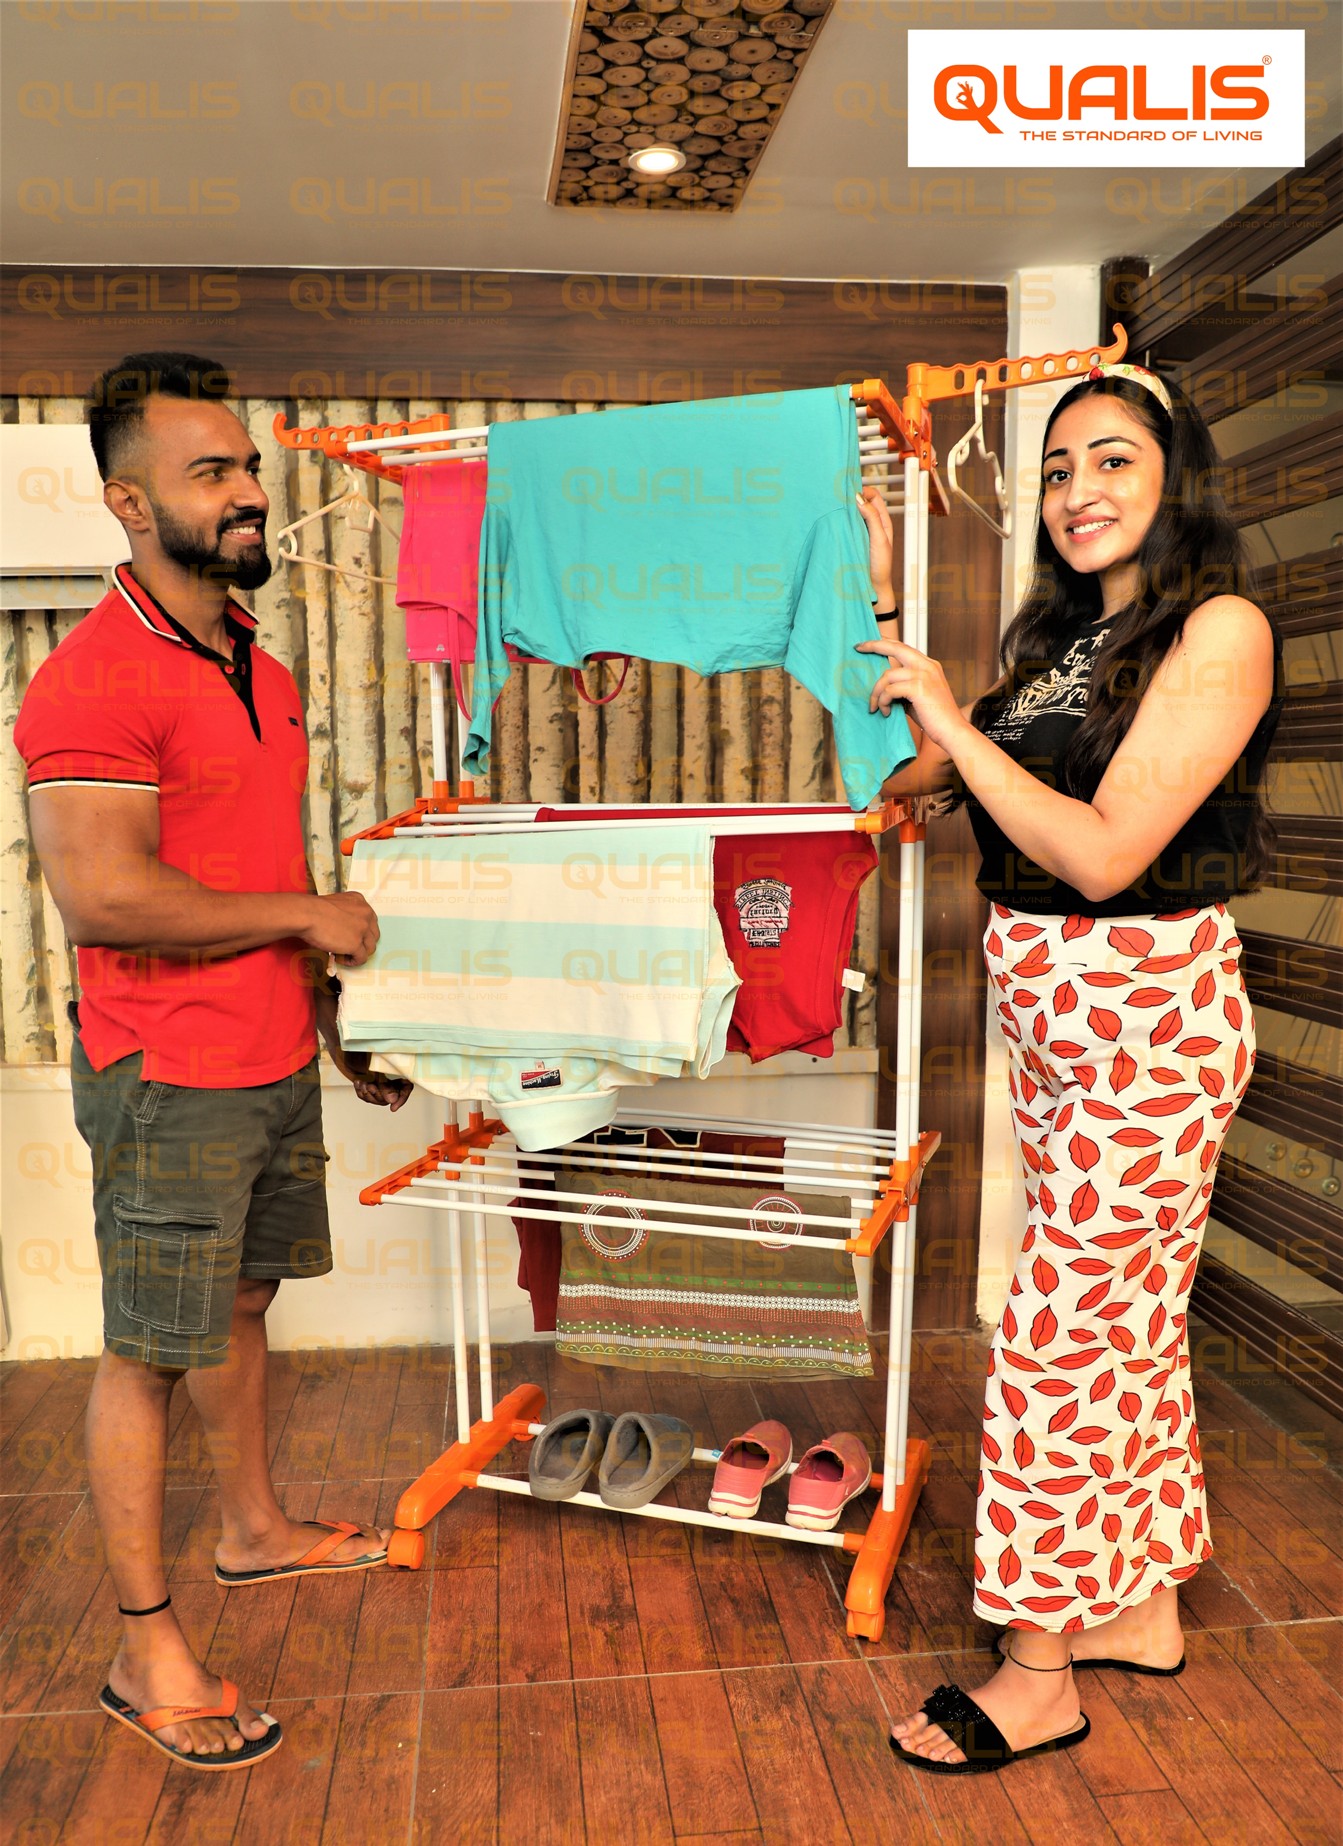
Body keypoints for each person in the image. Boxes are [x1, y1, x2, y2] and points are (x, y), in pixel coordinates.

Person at [853, 361, 1280, 1774]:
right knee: (1125, 1325)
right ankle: (1138, 1608)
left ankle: (1039, 1669)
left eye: (1111, 460)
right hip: (1052, 1014)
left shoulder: (1219, 629)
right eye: (1055, 469)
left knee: (1055, 1333)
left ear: (1176, 476)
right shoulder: (1065, 643)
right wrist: (889, 625)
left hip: (1149, 1015)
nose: (1077, 491)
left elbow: (1100, 851)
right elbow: (930, 776)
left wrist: (956, 731)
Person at [14, 353, 413, 1773]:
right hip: (166, 1070)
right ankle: (144, 1648)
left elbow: (247, 864)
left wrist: (331, 1023)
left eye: (247, 464)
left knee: (243, 1298)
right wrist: (309, 917)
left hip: (266, 1054)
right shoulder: (91, 680)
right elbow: (104, 897)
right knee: (147, 1349)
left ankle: (252, 1528)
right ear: (129, 503)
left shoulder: (264, 666)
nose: (250, 490)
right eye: (210, 473)